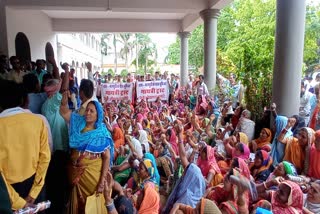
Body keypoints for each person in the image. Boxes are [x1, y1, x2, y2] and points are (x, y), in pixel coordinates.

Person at [0, 79, 50, 210]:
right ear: (23, 100)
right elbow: (45, 158)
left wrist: (17, 202)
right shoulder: (37, 122)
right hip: (34, 185)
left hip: (6, 191)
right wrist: (34, 193)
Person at [60, 93, 114, 213]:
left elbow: (106, 158)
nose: (88, 113)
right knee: (79, 207)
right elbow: (64, 112)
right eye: (87, 110)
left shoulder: (101, 132)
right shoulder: (78, 125)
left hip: (93, 179)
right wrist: (63, 102)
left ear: (98, 115)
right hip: (77, 177)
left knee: (91, 206)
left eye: (91, 111)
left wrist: (101, 182)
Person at [162, 122, 206, 213]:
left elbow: (182, 157)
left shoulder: (187, 197)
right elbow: (183, 158)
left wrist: (180, 134)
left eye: (186, 171)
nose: (184, 173)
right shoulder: (197, 191)